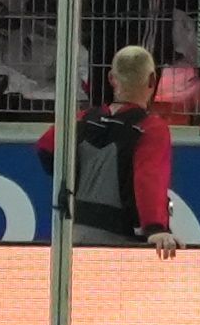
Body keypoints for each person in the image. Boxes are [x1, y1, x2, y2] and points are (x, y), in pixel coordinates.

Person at [39, 44, 181, 251]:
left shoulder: (82, 120)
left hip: (75, 231)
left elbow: (45, 147)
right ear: (152, 80)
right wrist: (155, 228)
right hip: (121, 238)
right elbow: (149, 178)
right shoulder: (150, 128)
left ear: (112, 78)